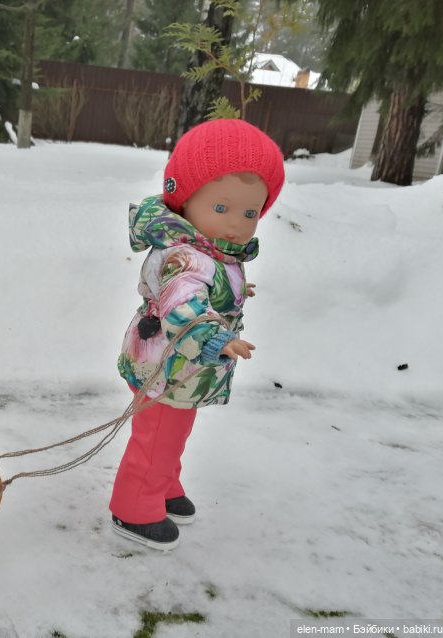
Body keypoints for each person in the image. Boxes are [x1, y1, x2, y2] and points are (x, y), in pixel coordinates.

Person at [110, 119, 285, 550]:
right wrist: (214, 337)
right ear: (184, 200)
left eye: (250, 213)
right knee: (156, 437)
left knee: (175, 431)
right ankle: (133, 508)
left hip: (180, 368)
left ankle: (164, 485)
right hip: (167, 361)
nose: (237, 224)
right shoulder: (188, 256)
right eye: (221, 209)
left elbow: (210, 285)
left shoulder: (210, 249)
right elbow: (182, 305)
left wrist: (232, 293)